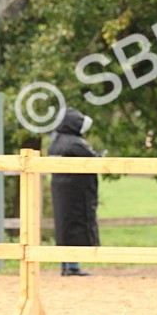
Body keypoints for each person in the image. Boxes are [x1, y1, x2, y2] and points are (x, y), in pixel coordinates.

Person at [48, 107, 101, 276]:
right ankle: (72, 266)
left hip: (60, 191)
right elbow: (93, 160)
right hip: (77, 193)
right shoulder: (75, 143)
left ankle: (66, 265)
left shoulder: (55, 142)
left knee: (64, 227)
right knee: (77, 227)